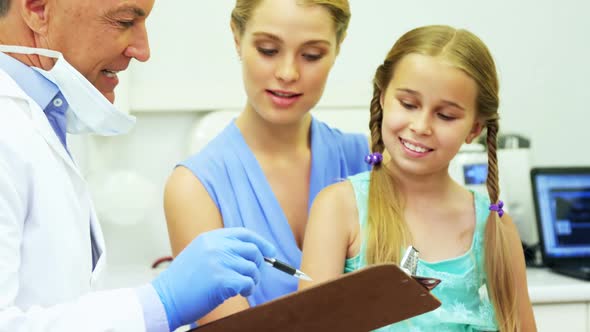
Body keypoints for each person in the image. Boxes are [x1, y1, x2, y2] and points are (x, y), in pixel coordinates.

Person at [0, 1, 277, 331]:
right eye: (124, 21)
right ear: (38, 9)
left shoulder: (40, 118)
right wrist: (159, 304)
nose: (142, 50)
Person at [299, 25, 537, 331]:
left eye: (446, 116)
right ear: (383, 98)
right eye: (408, 105)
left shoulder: (494, 224)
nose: (421, 126)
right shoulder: (338, 208)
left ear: (474, 130)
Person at [164, 0, 369, 325]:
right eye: (268, 50)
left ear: (338, 48)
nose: (288, 73)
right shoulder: (195, 187)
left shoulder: (366, 161)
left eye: (312, 55)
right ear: (237, 38)